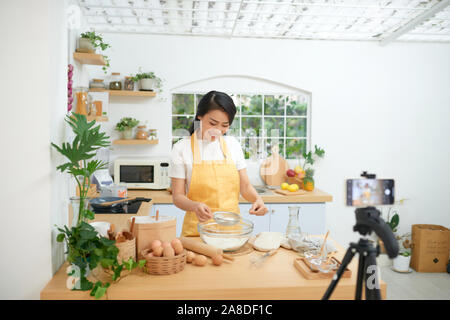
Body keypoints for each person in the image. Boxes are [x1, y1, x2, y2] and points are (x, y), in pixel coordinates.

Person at [169, 90, 268, 237]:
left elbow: (245, 186)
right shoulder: (181, 148)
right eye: (212, 123)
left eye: (225, 125)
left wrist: (257, 199)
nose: (218, 130)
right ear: (199, 116)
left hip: (232, 232)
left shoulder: (232, 145)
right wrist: (195, 206)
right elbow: (178, 197)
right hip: (197, 233)